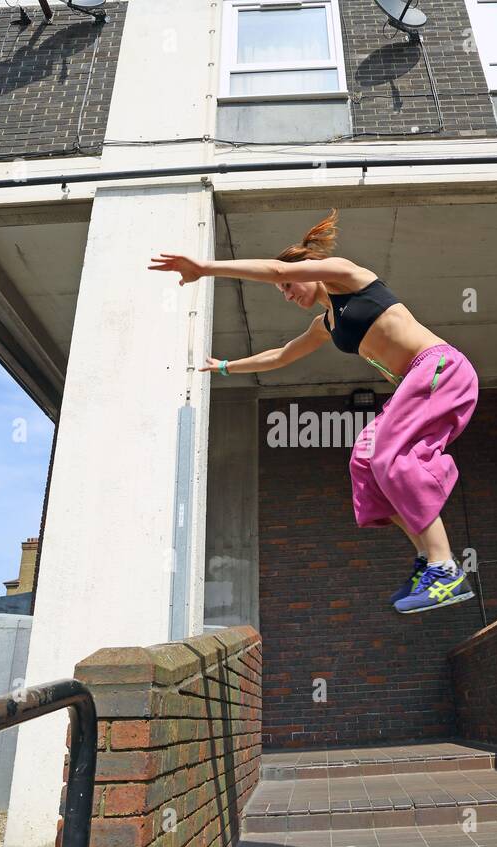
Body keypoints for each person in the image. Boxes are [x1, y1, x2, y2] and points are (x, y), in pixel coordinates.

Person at [149, 208, 479, 614]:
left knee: (390, 455)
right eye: (283, 290)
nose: (287, 294)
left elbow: (272, 269)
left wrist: (206, 267)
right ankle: (429, 561)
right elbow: (282, 356)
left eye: (288, 285)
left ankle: (446, 568)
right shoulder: (328, 323)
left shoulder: (348, 275)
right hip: (415, 384)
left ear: (307, 269)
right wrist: (223, 367)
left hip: (439, 369)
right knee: (365, 463)